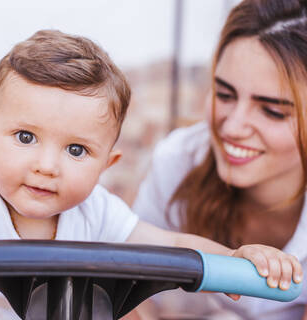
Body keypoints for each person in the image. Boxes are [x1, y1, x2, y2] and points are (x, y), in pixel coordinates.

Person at [0, 30, 301, 320]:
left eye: (76, 149)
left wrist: (236, 257)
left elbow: (173, 245)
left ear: (108, 165)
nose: (48, 165)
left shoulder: (96, 210)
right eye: (25, 137)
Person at [132, 0, 307, 319]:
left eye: (273, 111)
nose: (233, 126)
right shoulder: (179, 160)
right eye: (224, 94)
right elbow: (131, 291)